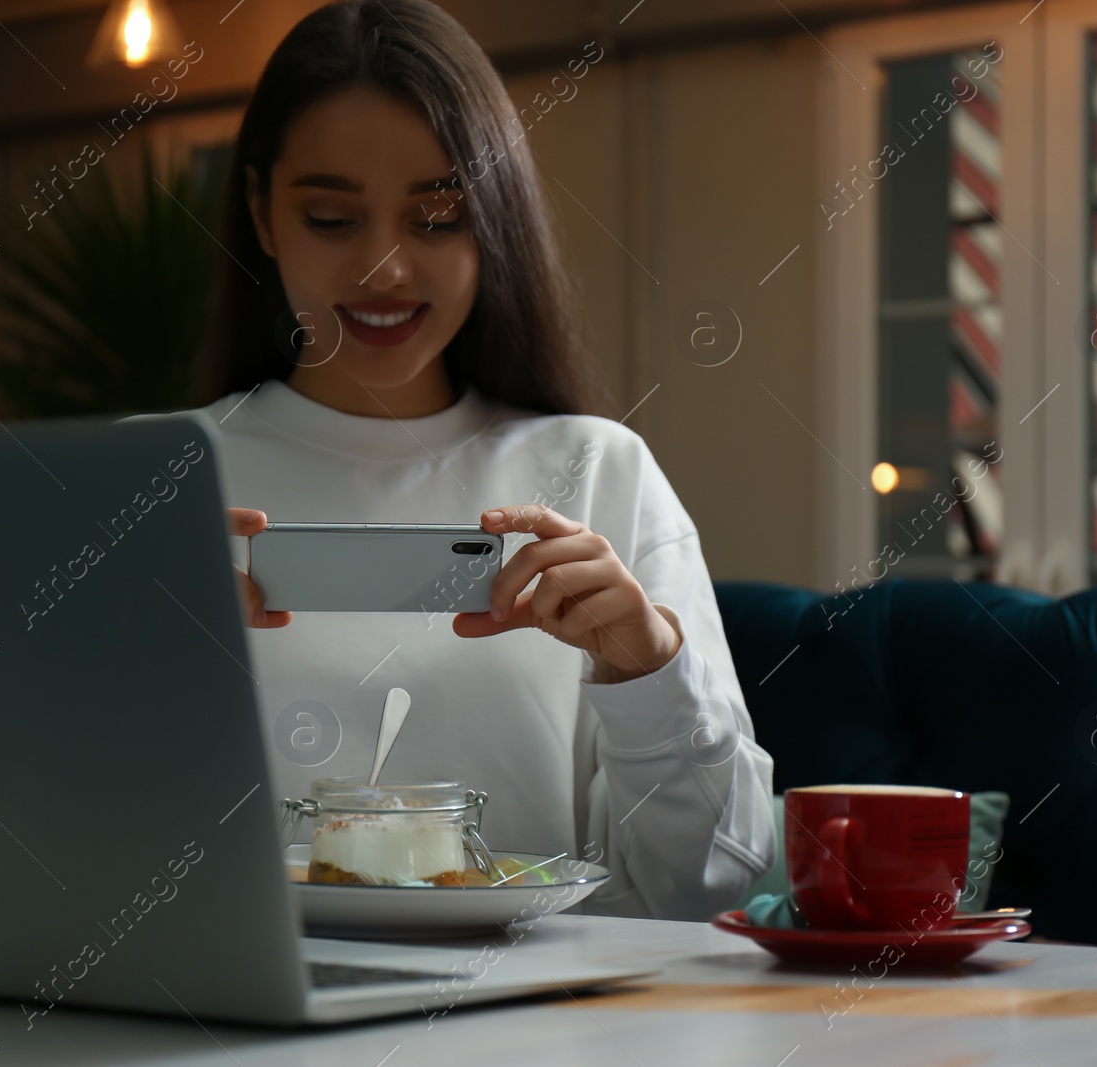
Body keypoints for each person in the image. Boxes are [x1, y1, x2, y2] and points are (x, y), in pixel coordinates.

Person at [144, 0, 775, 920]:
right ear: (261, 215)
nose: (385, 270)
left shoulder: (598, 469)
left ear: (495, 222)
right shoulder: (155, 479)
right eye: (331, 217)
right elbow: (28, 843)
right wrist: (138, 664)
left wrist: (647, 669)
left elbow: (708, 882)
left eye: (438, 218)